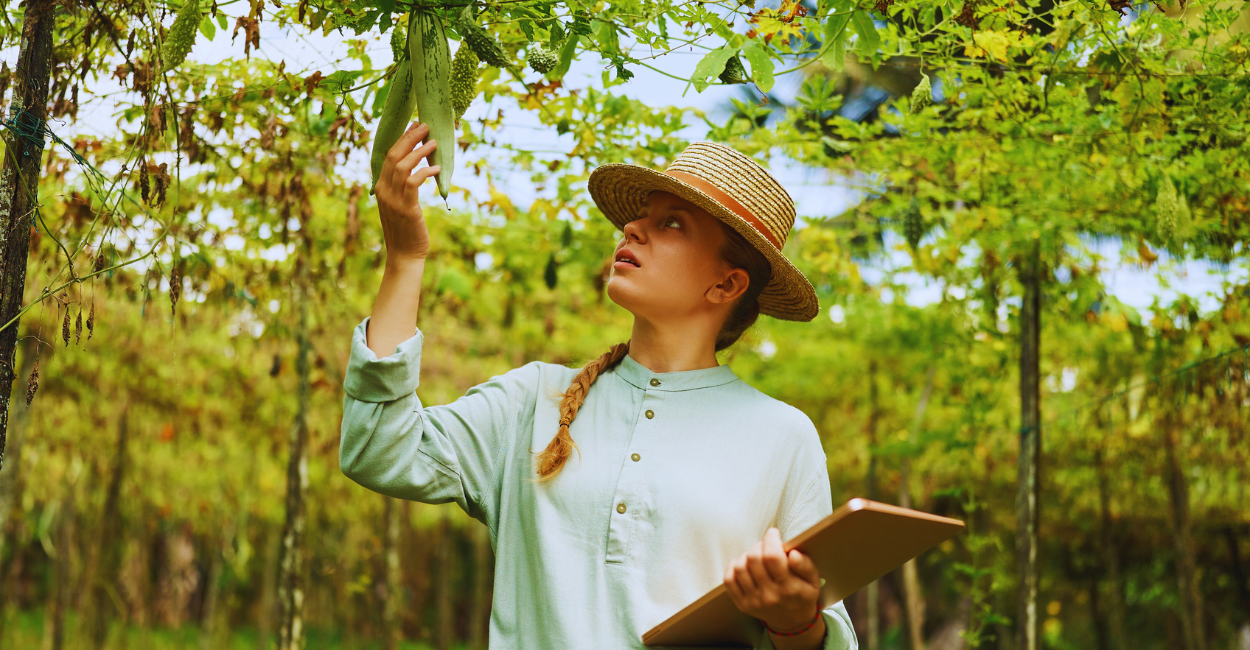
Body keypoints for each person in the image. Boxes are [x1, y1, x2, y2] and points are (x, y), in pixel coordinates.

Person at [340, 121, 858, 650]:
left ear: (727, 283)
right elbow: (377, 447)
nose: (632, 230)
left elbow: (826, 636)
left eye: (673, 224)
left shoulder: (783, 437)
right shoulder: (531, 401)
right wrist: (405, 258)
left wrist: (795, 620)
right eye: (641, 218)